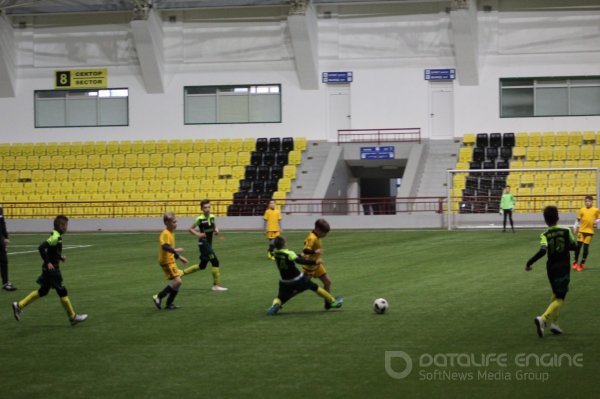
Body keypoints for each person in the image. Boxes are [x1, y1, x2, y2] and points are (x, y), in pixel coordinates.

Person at [11, 215, 87, 326]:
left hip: (49, 269)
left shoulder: (57, 236)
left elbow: (52, 251)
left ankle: (19, 305)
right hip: (52, 270)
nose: (67, 228)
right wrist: (48, 262)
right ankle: (73, 317)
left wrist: (59, 257)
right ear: (61, 226)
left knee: (43, 291)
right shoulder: (55, 237)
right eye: (66, 225)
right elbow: (41, 247)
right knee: (62, 291)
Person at [525, 205, 576, 338]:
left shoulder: (544, 234)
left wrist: (529, 263)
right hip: (563, 267)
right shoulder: (566, 231)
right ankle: (543, 319)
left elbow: (543, 251)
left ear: (545, 220)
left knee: (555, 294)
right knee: (560, 298)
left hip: (551, 268)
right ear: (558, 217)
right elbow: (574, 246)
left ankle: (555, 324)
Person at [267, 235, 343, 316]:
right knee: (315, 287)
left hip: (284, 281)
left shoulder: (276, 254)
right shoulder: (289, 253)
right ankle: (333, 302)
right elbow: (299, 261)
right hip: (298, 279)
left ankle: (274, 306)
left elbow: (290, 256)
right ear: (284, 244)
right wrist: (315, 262)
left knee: (280, 298)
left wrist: (300, 255)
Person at [183, 199, 228, 291]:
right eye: (205, 207)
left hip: (209, 243)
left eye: (208, 207)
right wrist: (198, 234)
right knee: (215, 262)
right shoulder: (199, 219)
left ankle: (181, 273)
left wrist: (216, 230)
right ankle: (216, 285)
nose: (207, 209)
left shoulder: (212, 217)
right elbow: (190, 229)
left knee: (202, 266)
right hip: (203, 243)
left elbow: (214, 226)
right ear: (202, 209)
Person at [153, 211, 188, 310]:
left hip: (170, 260)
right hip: (166, 261)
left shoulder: (171, 233)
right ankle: (159, 297)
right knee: (177, 281)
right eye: (173, 222)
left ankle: (169, 304)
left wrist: (179, 257)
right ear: (167, 223)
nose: (175, 224)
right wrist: (176, 250)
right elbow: (164, 247)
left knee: (178, 282)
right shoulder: (165, 233)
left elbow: (170, 249)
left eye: (176, 222)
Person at [302, 218, 334, 309]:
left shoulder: (317, 236)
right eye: (324, 233)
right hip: (309, 266)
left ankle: (328, 303)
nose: (325, 235)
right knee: (300, 288)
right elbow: (305, 250)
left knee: (327, 282)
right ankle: (280, 300)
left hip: (317, 265)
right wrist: (315, 252)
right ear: (318, 230)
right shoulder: (312, 238)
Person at [572, 195, 600, 272]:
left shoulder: (596, 210)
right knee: (578, 247)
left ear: (592, 202)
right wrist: (575, 227)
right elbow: (578, 220)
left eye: (589, 201)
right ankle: (575, 261)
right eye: (586, 201)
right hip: (581, 231)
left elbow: (599, 218)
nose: (587, 203)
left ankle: (582, 263)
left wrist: (596, 221)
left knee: (585, 249)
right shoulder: (582, 210)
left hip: (589, 232)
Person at [0, 205, 17, 291]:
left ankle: (5, 283)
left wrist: (6, 236)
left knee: (4, 261)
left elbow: (2, 223)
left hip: (1, 239)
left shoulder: (0, 208)